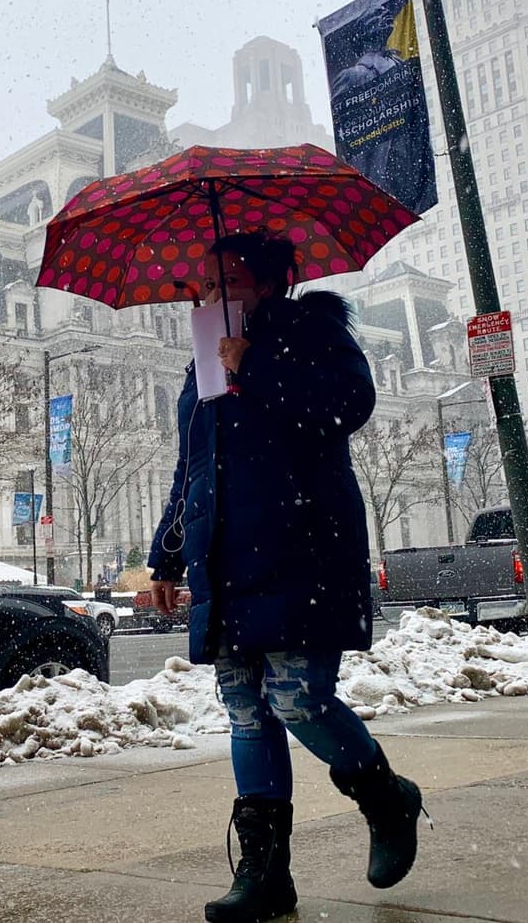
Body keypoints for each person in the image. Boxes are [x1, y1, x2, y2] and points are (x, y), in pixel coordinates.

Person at [148, 232, 426, 923]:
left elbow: (347, 408)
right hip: (224, 555)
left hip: (302, 547)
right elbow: (193, 465)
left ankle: (386, 796)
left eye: (223, 279)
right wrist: (166, 555)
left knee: (299, 700)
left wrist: (256, 369)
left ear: (268, 281)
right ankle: (266, 873)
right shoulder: (203, 356)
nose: (208, 294)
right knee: (246, 711)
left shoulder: (314, 331)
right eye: (203, 284)